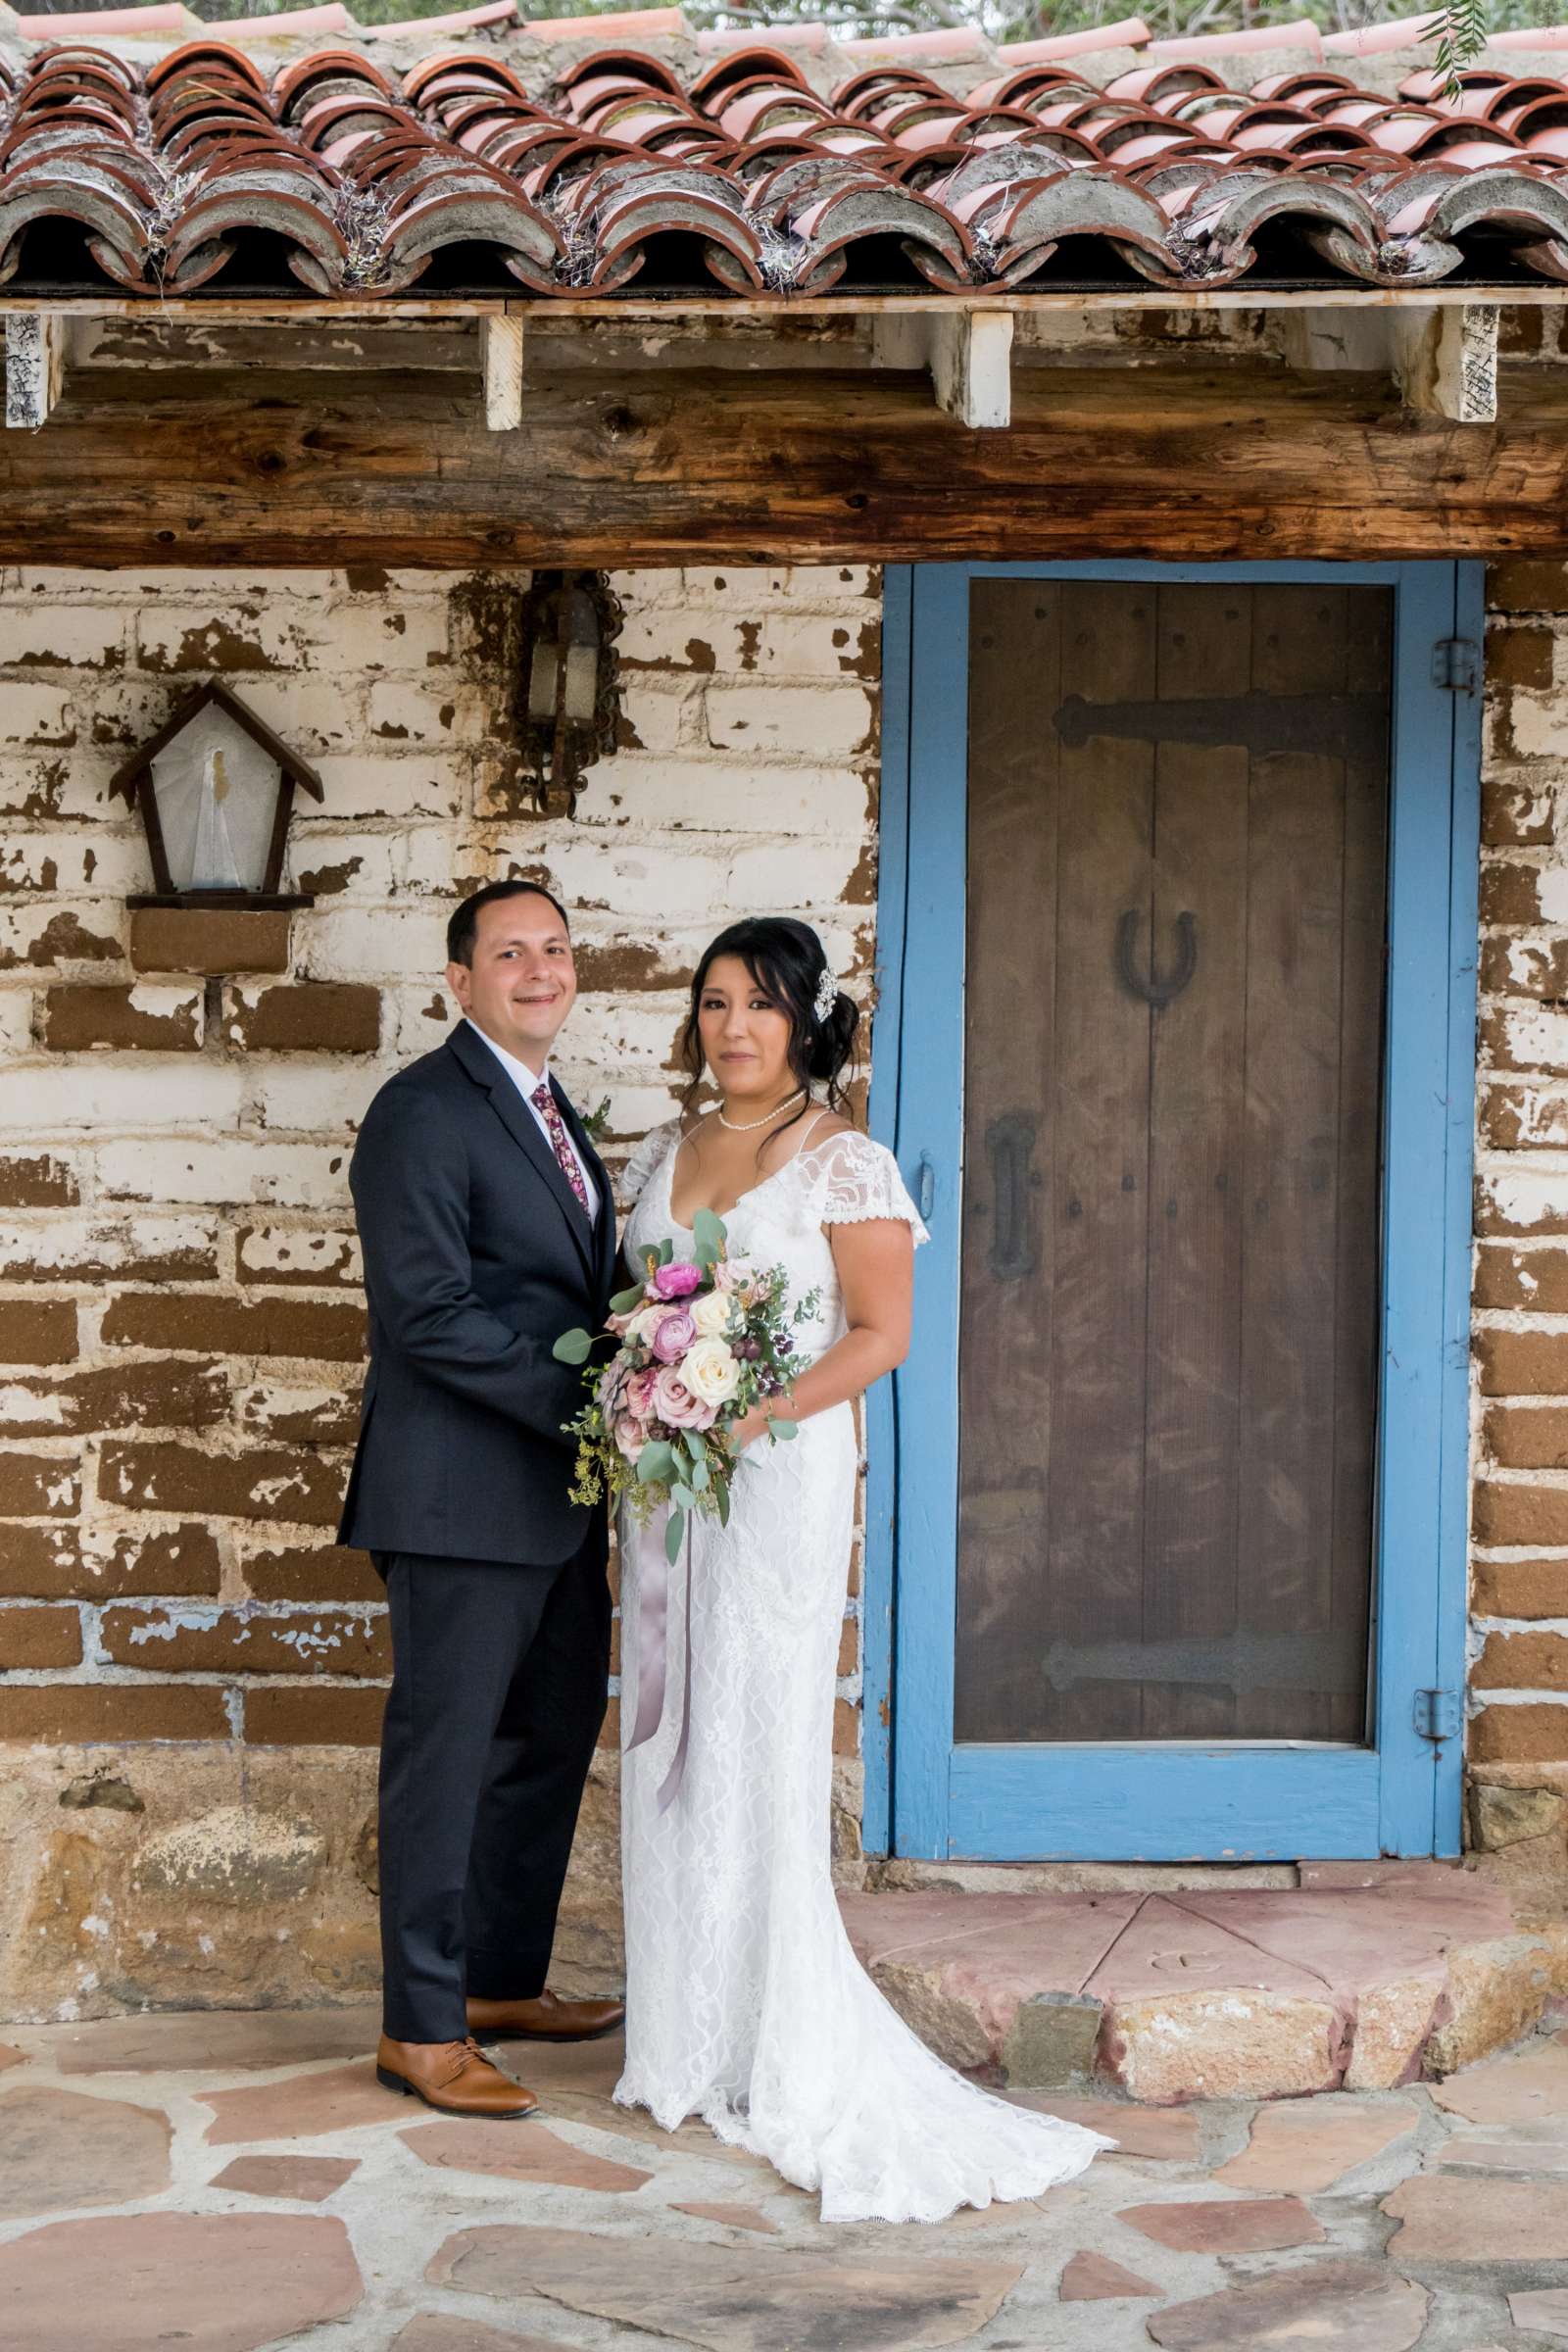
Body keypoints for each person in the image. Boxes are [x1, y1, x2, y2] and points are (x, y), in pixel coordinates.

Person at [613, 915, 1110, 2223]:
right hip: (672, 1488)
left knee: (755, 1733)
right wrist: (650, 1389)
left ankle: (774, 2038)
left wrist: (757, 1412)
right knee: (672, 1730)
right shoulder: (664, 1152)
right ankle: (684, 2040)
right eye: (714, 1002)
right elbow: (643, 1307)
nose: (733, 1028)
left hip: (775, 1476)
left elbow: (881, 1334)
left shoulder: (847, 1164)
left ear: (808, 1024)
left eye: (761, 1006)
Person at [341, 879, 624, 2119]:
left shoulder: (552, 1109)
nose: (539, 968)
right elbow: (430, 1313)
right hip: (459, 1499)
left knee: (547, 1740)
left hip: (555, 1503)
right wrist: (598, 1407)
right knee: (446, 1760)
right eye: (510, 951)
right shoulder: (419, 1111)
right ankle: (419, 2026)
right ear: (459, 982)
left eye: (554, 949)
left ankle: (499, 1982)